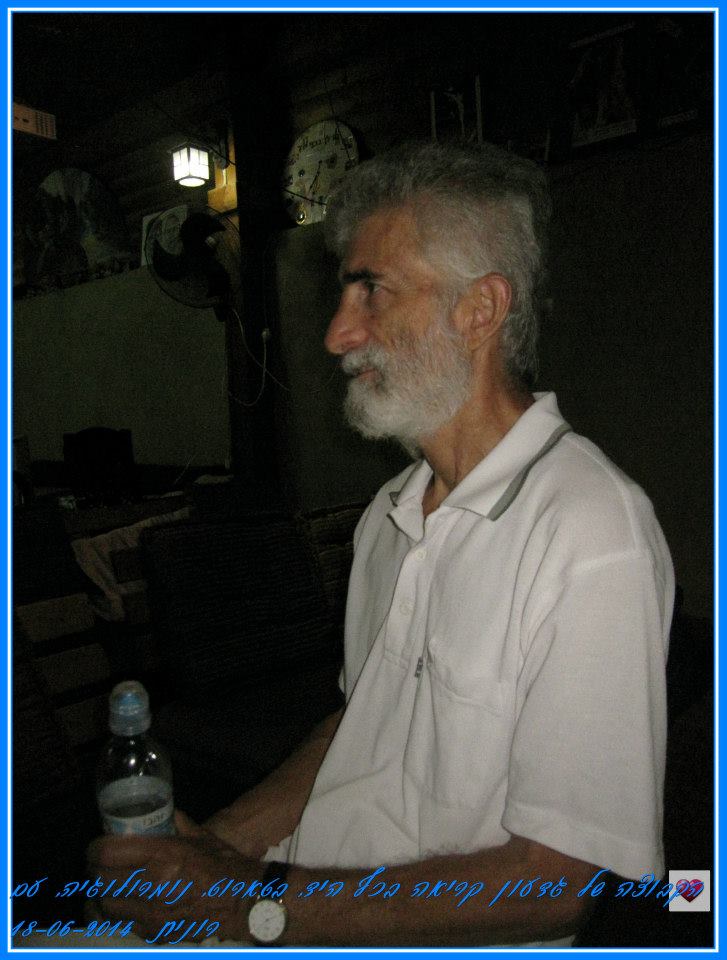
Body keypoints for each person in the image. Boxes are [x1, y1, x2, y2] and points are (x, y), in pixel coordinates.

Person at [87, 141, 674, 948]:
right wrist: (217, 847)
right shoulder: (388, 515)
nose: (337, 335)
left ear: (479, 310)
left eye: (372, 291)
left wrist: (244, 902)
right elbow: (357, 724)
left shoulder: (591, 531)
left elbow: (555, 886)